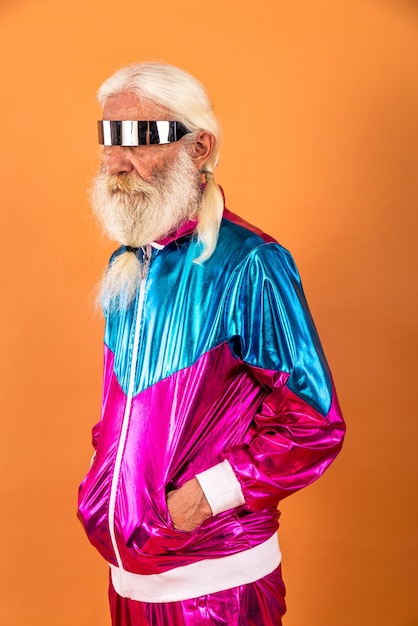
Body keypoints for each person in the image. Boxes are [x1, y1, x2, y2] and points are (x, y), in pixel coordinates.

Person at [78, 61, 345, 626]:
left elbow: (314, 422)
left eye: (141, 138)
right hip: (130, 577)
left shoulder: (250, 264)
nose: (116, 161)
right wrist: (108, 485)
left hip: (215, 586)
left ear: (198, 148)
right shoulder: (128, 265)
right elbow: (125, 412)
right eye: (109, 138)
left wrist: (203, 498)